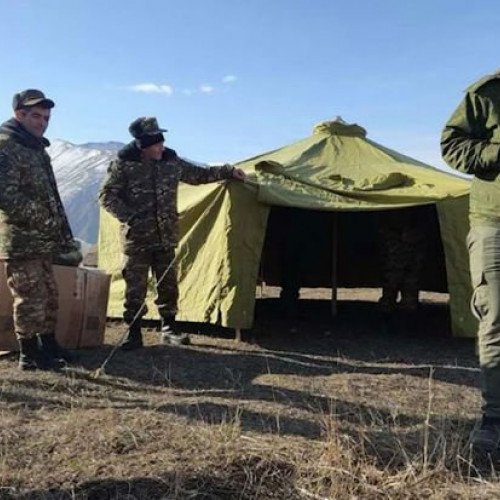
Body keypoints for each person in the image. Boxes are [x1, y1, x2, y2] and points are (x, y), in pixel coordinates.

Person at [99, 117, 246, 349]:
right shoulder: (123, 165)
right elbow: (107, 196)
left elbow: (199, 175)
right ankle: (134, 333)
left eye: (161, 141)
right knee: (135, 288)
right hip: (136, 239)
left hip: (165, 237)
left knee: (168, 285)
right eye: (155, 143)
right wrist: (131, 218)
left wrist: (228, 171)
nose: (160, 147)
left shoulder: (171, 161)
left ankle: (169, 329)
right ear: (142, 145)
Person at [0, 89, 82, 371]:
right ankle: (29, 353)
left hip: (43, 238)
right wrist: (44, 219)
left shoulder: (36, 148)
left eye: (46, 117)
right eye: (36, 116)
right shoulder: (6, 145)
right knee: (28, 298)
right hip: (21, 238)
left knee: (48, 294)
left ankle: (49, 344)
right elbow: (5, 195)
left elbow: (50, 195)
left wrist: (58, 227)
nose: (42, 122)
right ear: (19, 114)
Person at [441, 69, 500, 454]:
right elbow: (452, 147)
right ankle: (494, 419)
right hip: (495, 221)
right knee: (496, 317)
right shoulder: (488, 93)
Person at [376, 208, 427, 314]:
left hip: (408, 239)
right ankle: (391, 304)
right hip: (396, 240)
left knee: (408, 276)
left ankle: (405, 303)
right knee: (393, 275)